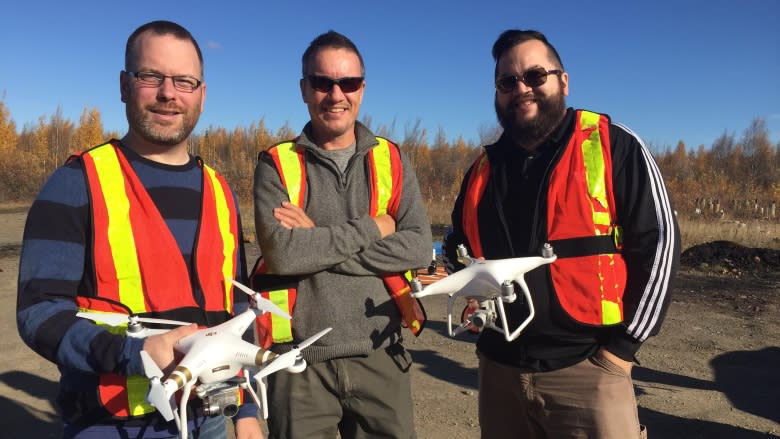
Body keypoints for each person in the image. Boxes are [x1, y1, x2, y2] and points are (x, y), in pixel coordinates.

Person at [16, 20, 263, 439]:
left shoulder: (220, 191)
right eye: (152, 76)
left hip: (212, 419)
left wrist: (246, 413)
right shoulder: (78, 182)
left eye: (184, 81)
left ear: (201, 96)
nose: (168, 93)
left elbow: (235, 312)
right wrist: (133, 353)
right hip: (112, 424)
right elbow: (38, 312)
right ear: (124, 85)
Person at [444, 29, 680, 439]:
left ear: (563, 81)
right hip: (499, 372)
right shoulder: (484, 168)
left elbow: (660, 244)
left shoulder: (612, 145)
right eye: (508, 82)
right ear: (497, 92)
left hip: (588, 371)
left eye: (536, 76)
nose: (522, 89)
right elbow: (455, 246)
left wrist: (620, 354)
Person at [251, 30, 431, 438]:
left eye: (347, 83)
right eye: (322, 82)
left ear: (362, 90)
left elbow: (418, 245)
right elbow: (283, 255)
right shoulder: (276, 163)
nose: (336, 95)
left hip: (382, 353)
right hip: (298, 363)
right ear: (304, 89)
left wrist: (316, 237)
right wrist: (375, 228)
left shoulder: (393, 159)